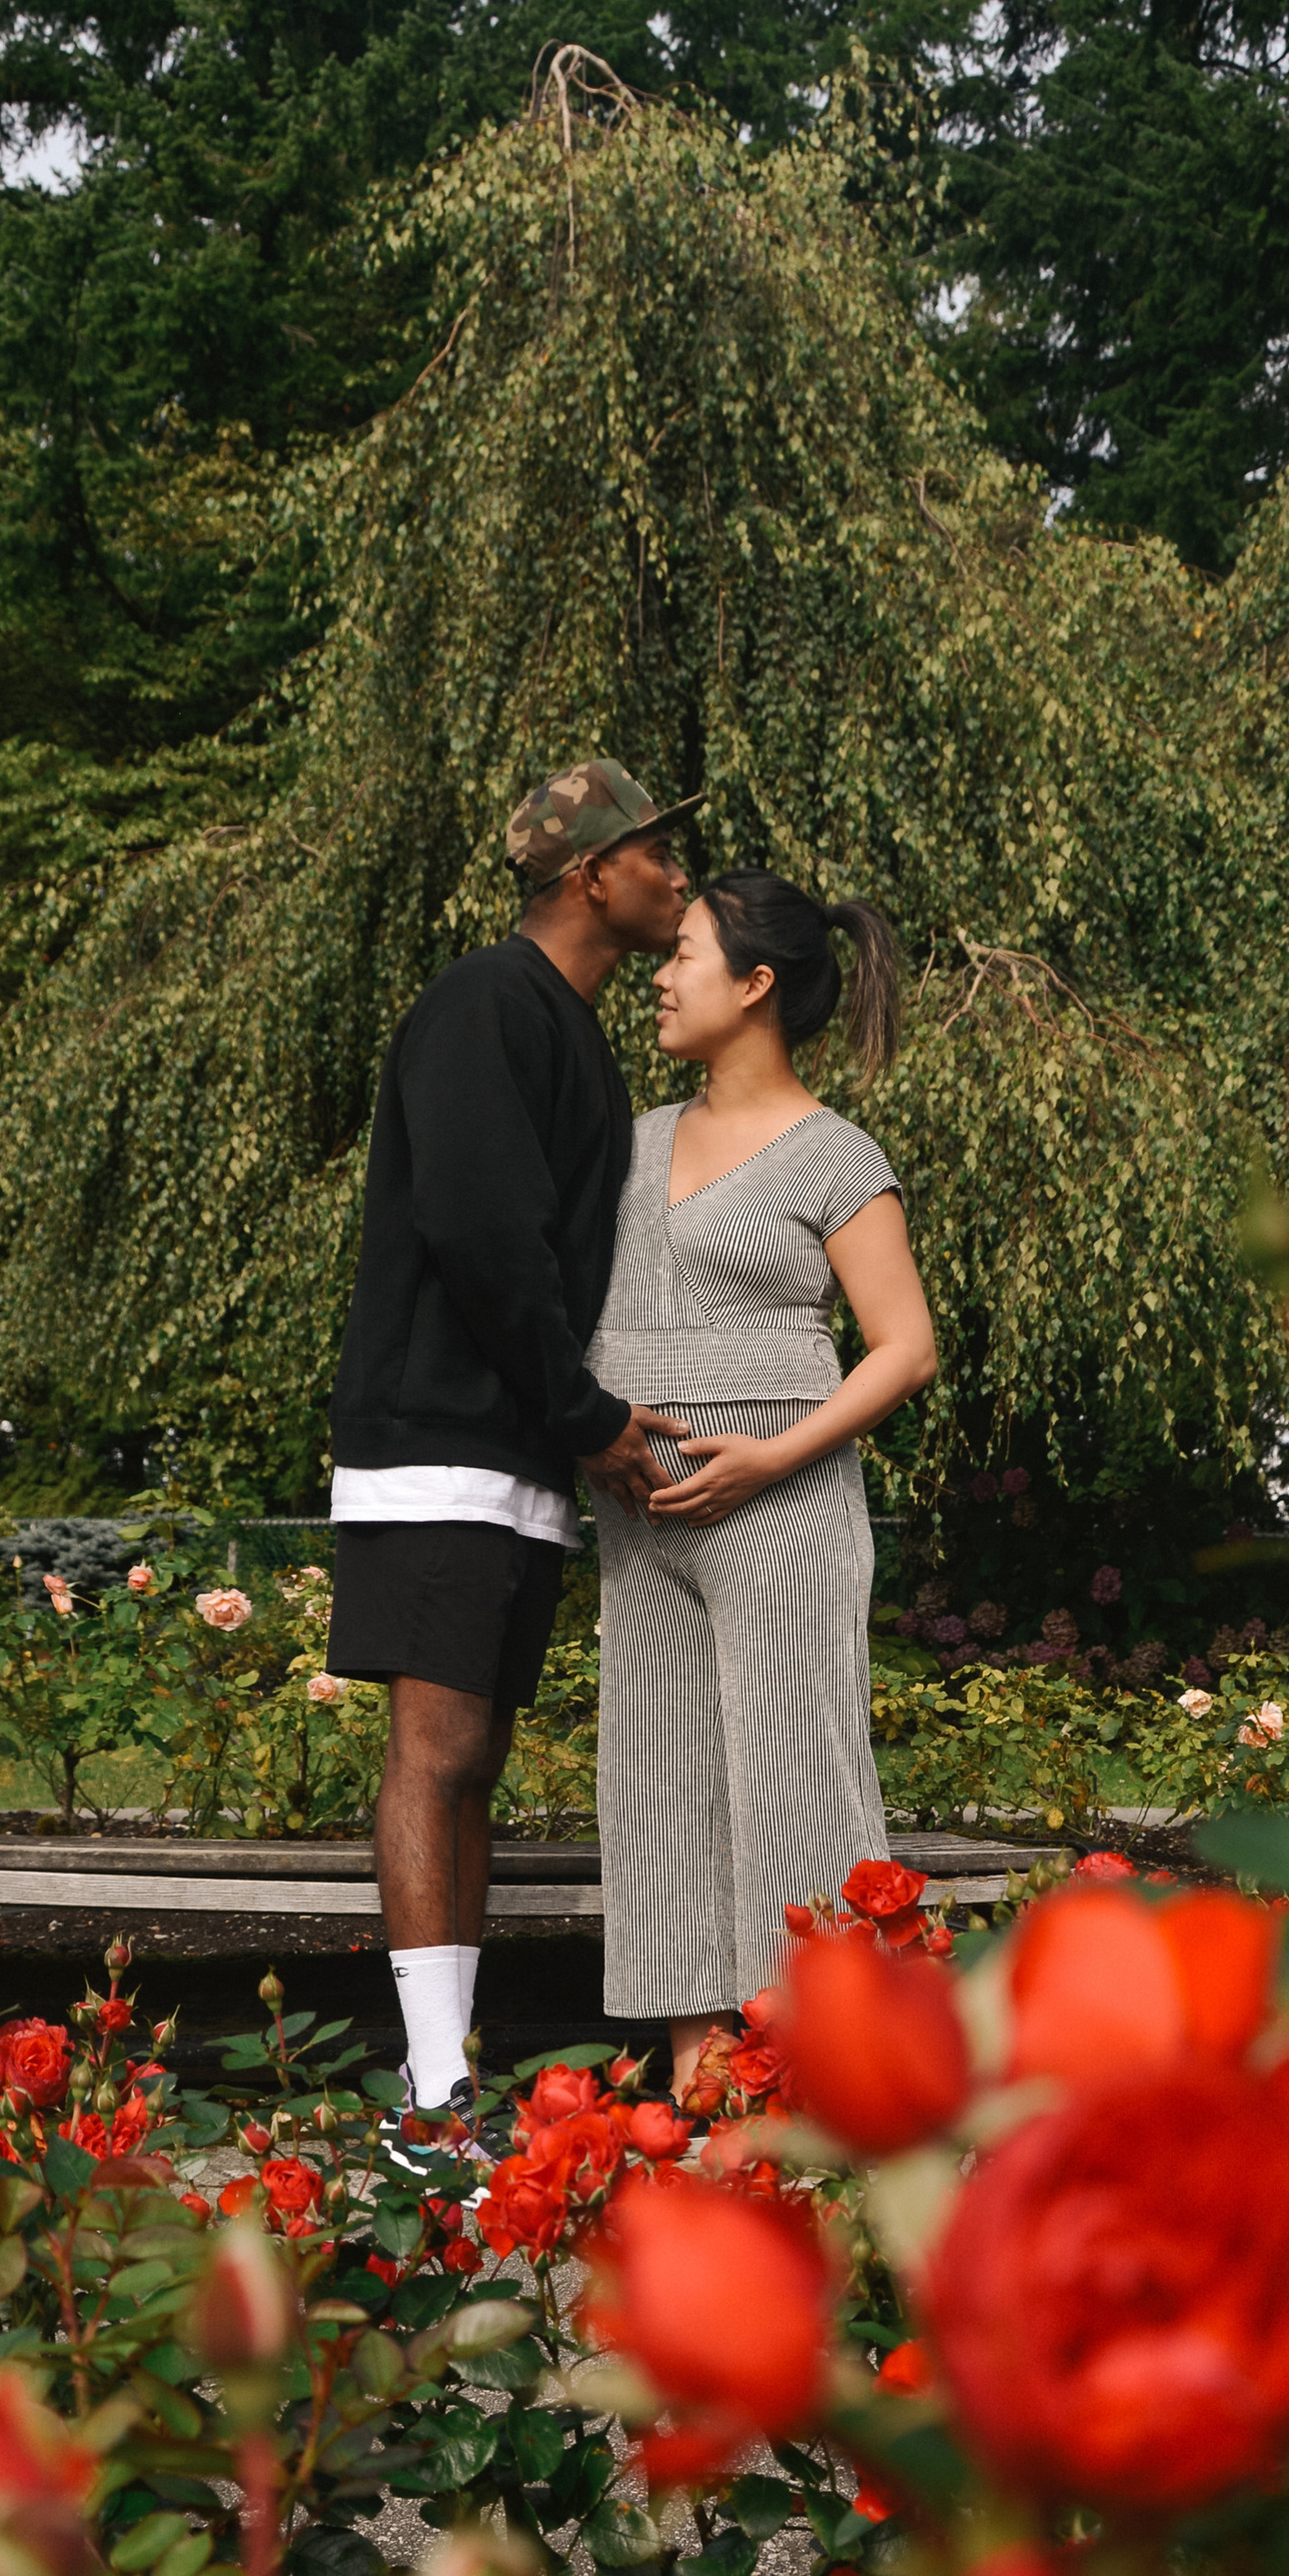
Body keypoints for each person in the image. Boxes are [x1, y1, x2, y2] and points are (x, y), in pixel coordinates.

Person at [325, 759, 693, 2117]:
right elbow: (483, 1238)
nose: (678, 880)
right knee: (434, 1753)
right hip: (445, 1440)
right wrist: (586, 1413)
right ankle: (430, 2104)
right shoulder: (484, 1006)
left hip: (513, 1448)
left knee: (472, 1756)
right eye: (659, 855)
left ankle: (449, 2080)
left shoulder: (572, 1033)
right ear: (593, 873)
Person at [586, 871, 936, 2095]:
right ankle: (701, 2099)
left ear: (755, 984)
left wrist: (773, 1459)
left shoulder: (834, 1155)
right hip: (639, 1516)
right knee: (662, 1783)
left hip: (779, 1509)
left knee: (795, 1774)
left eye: (682, 953)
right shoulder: (624, 1144)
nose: (661, 975)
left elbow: (904, 1346)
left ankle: (827, 2086)